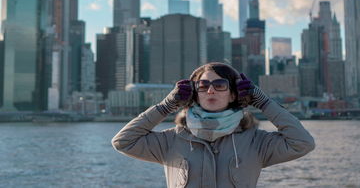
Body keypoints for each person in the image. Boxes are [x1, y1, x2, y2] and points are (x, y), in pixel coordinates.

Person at [112, 62, 315, 187]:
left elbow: (302, 143)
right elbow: (123, 142)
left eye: (219, 85)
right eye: (203, 86)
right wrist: (167, 105)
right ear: (194, 93)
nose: (211, 91)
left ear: (233, 93)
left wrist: (262, 101)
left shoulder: (255, 142)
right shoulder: (171, 141)